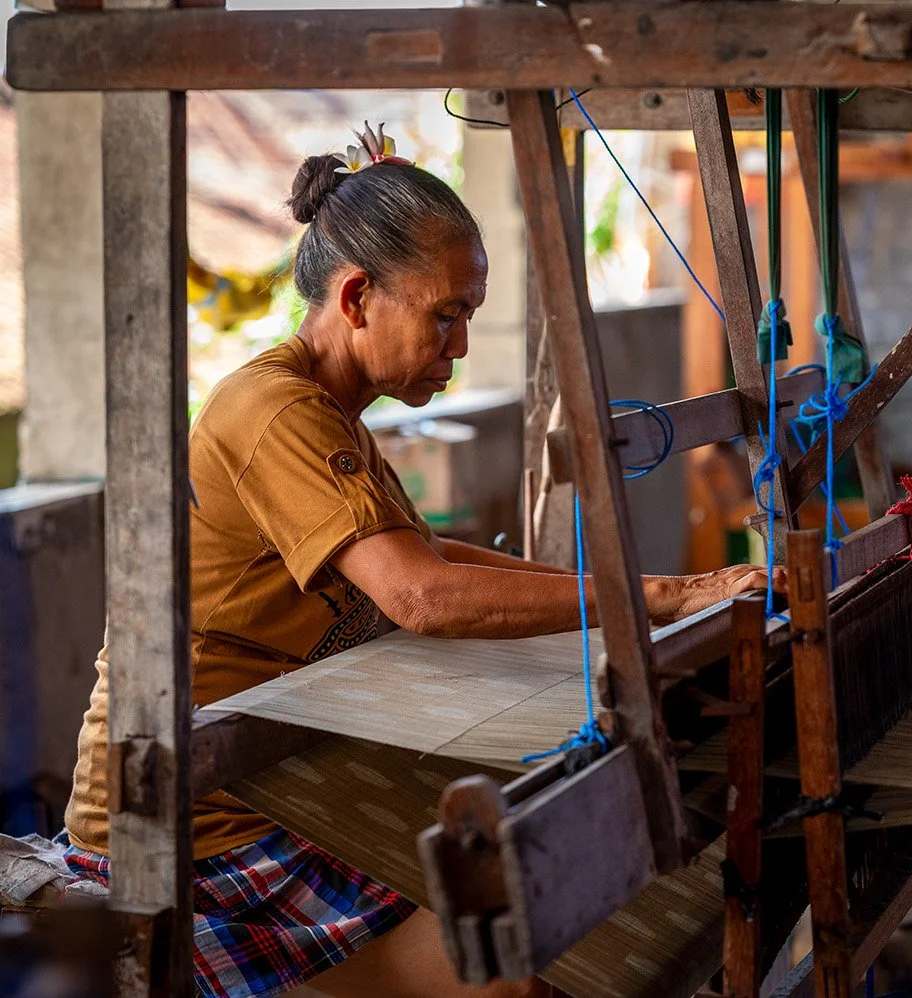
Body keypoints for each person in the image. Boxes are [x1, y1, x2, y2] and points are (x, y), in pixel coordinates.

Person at [61, 125, 778, 998]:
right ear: (358, 296)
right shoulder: (273, 410)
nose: (462, 345)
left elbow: (427, 556)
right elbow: (422, 597)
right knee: (514, 954)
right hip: (197, 819)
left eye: (469, 315)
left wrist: (658, 594)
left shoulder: (334, 410)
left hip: (275, 774)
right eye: (447, 314)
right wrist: (662, 598)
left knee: (538, 901)